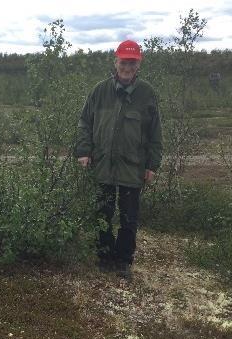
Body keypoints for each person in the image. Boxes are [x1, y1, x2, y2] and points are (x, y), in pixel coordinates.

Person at [76, 40, 162, 280]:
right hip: (102, 163)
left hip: (132, 167)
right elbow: (84, 122)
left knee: (128, 217)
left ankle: (123, 261)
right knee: (102, 213)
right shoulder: (99, 91)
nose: (127, 66)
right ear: (116, 62)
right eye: (123, 61)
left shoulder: (147, 94)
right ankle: (104, 256)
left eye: (132, 62)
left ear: (138, 65)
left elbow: (156, 132)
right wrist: (84, 151)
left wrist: (152, 165)